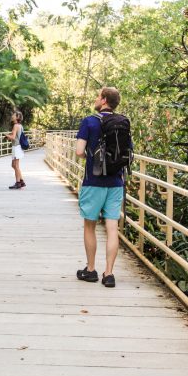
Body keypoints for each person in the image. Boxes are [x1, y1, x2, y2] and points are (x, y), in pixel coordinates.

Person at [74, 87, 131, 288]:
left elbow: (79, 151)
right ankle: (109, 273)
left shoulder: (90, 121)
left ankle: (90, 270)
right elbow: (128, 152)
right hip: (116, 183)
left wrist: (91, 157)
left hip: (94, 181)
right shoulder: (123, 122)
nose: (96, 99)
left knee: (89, 225)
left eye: (98, 96)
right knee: (112, 228)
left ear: (104, 100)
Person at [6, 111, 26, 189]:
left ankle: (18, 183)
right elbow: (15, 137)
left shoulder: (15, 126)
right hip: (17, 147)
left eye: (14, 115)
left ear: (17, 117)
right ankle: (21, 181)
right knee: (14, 165)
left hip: (16, 147)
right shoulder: (19, 125)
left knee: (16, 166)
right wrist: (9, 137)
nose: (12, 116)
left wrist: (7, 135)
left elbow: (13, 137)